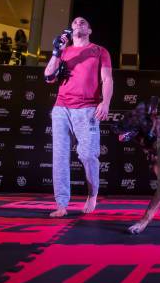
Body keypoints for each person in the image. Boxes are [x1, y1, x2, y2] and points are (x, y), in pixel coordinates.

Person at [44, 17, 113, 217]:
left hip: (87, 109)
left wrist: (105, 102)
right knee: (60, 156)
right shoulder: (64, 52)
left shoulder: (100, 51)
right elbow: (48, 76)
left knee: (88, 155)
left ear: (89, 30)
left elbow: (107, 78)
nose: (78, 24)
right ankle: (61, 205)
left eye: (82, 22)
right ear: (70, 30)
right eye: (74, 23)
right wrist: (57, 51)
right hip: (61, 109)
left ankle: (92, 194)